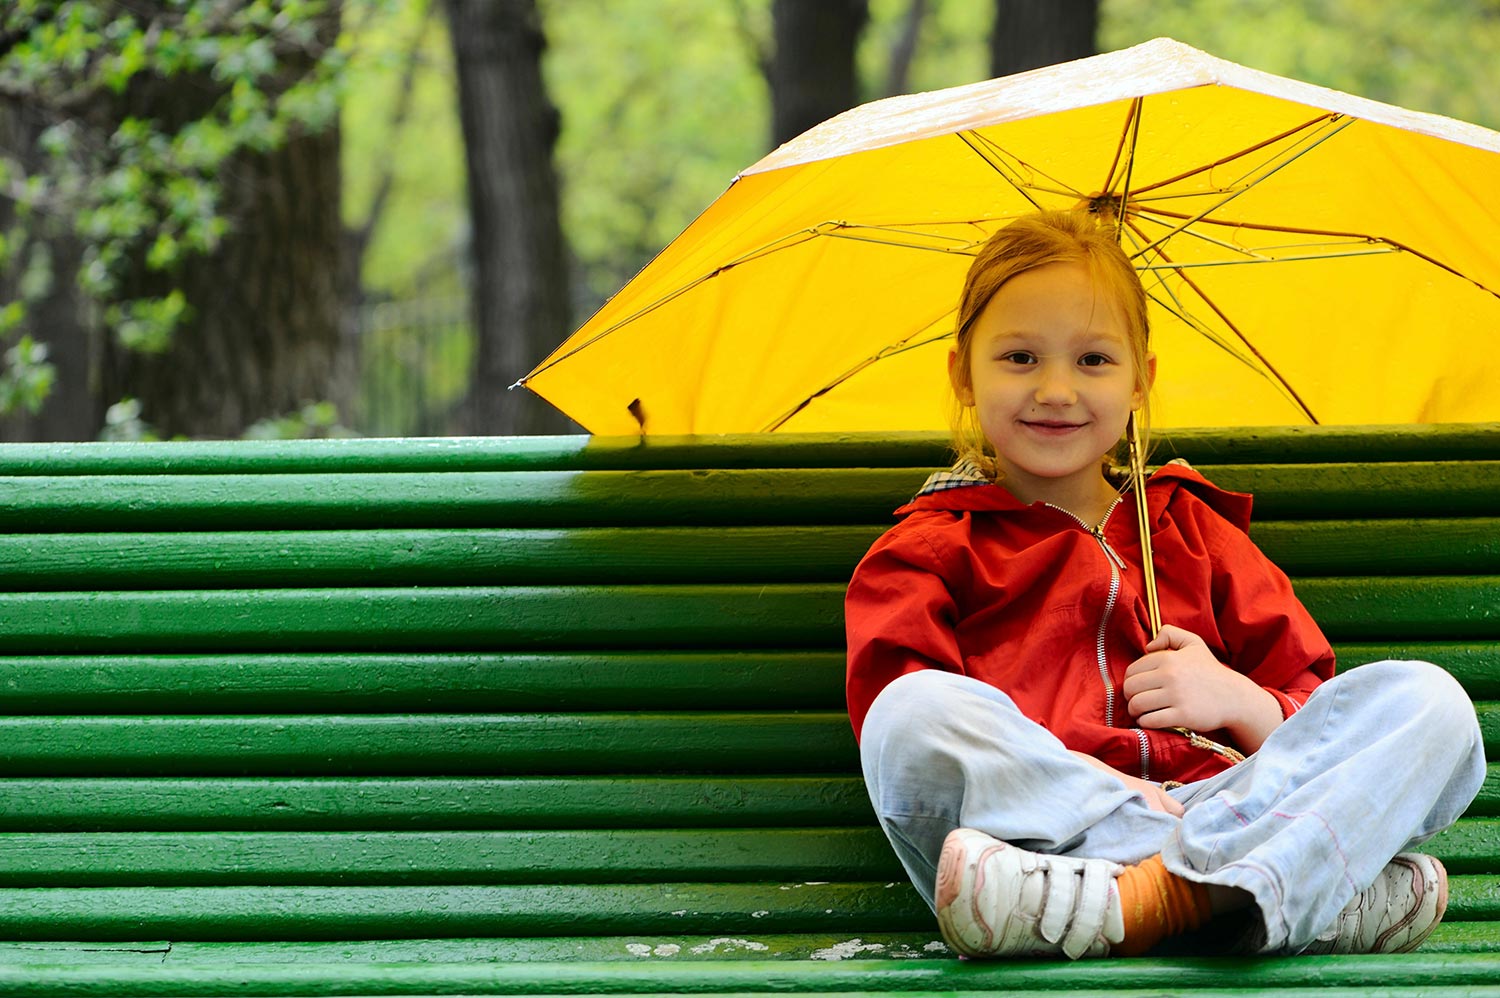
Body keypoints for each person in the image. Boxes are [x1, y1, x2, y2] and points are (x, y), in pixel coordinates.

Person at [843, 209, 1485, 960]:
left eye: (1093, 360)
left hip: (1223, 804)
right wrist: (1089, 778)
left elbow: (1317, 720)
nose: (1056, 389)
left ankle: (1158, 899)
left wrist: (1237, 700)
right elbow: (902, 739)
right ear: (962, 372)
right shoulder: (926, 550)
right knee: (910, 715)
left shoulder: (1192, 531)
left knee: (1433, 705)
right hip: (1042, 850)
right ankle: (1275, 885)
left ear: (1142, 380)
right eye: (1019, 357)